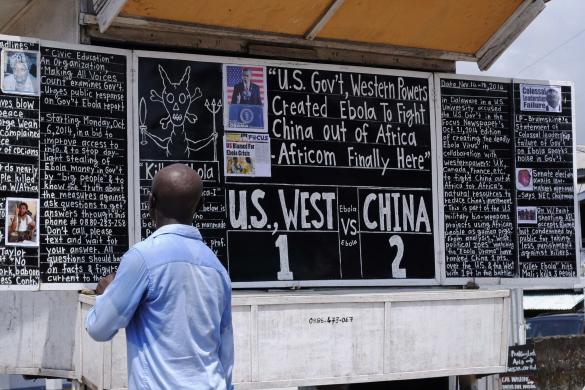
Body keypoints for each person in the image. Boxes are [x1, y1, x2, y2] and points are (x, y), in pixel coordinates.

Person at [85, 164, 234, 390]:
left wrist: (107, 293)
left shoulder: (142, 259)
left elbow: (99, 328)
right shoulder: (217, 269)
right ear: (200, 206)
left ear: (151, 202)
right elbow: (226, 353)